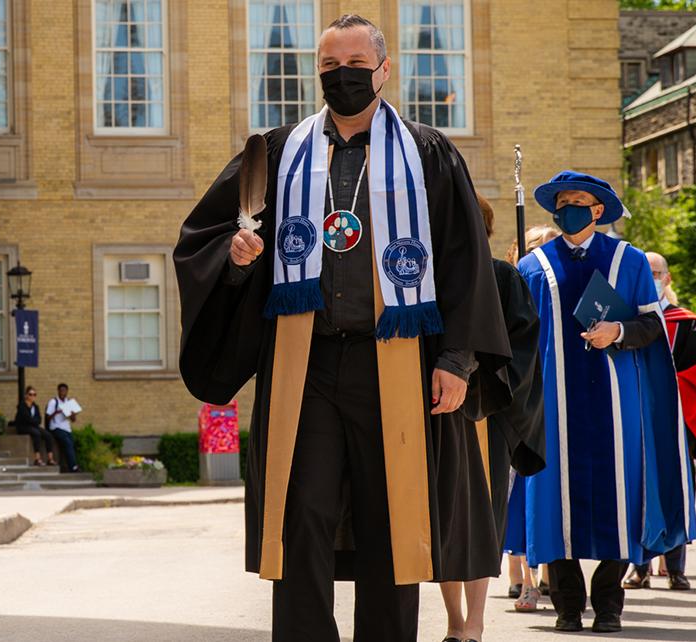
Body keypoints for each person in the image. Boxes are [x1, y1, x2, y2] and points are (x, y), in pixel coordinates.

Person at [175, 14, 513, 641]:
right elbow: (206, 236)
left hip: (398, 361)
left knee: (392, 516)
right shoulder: (277, 152)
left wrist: (457, 360)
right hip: (306, 362)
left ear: (384, 70)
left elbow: (466, 261)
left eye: (356, 65)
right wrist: (236, 257)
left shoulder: (429, 153)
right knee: (302, 511)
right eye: (330, 67)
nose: (343, 77)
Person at [515, 171, 695, 634]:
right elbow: (517, 338)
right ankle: (567, 606)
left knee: (622, 497)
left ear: (598, 210)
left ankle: (610, 604)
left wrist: (617, 332)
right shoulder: (534, 267)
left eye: (578, 201)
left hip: (617, 404)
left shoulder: (629, 261)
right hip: (553, 406)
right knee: (553, 504)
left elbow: (652, 327)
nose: (568, 209)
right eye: (562, 202)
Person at [438, 194, 546, 642]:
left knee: (481, 522)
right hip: (438, 412)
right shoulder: (431, 276)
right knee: (442, 518)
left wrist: (479, 374)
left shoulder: (503, 276)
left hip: (487, 412)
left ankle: (476, 623)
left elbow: (523, 345)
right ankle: (452, 621)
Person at [622, 252, 696, 592]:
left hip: (676, 422)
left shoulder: (686, 322)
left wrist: (657, 387)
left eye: (657, 272)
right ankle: (639, 567)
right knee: (636, 491)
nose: (652, 277)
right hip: (634, 419)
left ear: (668, 277)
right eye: (645, 272)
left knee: (677, 491)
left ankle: (676, 567)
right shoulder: (625, 321)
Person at [507, 223, 561, 610]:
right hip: (522, 398)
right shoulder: (512, 285)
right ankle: (527, 580)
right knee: (522, 495)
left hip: (558, 396)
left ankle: (554, 576)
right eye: (537, 245)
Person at [44, 383, 82, 473]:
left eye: (64, 391)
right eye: (61, 391)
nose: (63, 393)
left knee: (71, 444)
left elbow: (73, 420)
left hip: (66, 428)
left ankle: (67, 466)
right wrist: (57, 412)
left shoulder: (68, 402)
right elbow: (47, 417)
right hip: (56, 427)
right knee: (68, 443)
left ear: (67, 392)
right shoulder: (53, 402)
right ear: (58, 391)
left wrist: (73, 414)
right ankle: (73, 467)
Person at [13, 387, 52, 467]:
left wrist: (34, 421)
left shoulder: (35, 407)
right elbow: (26, 419)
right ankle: (37, 459)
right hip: (23, 427)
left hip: (33, 426)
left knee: (47, 435)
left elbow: (39, 419)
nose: (32, 396)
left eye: (34, 394)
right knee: (36, 434)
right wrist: (34, 421)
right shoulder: (22, 406)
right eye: (30, 394)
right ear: (26, 395)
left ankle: (50, 458)